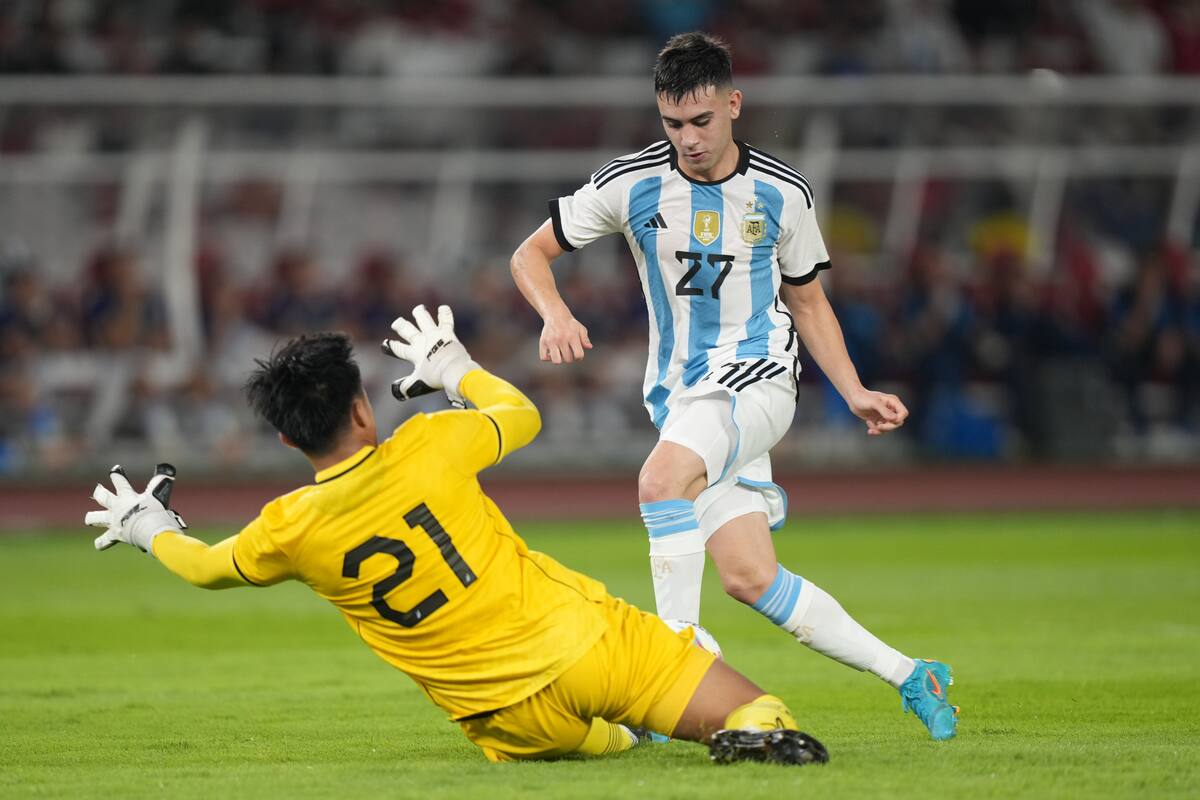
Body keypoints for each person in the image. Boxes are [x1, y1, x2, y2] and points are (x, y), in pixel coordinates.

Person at [84, 304, 828, 767]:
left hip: (503, 720)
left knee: (612, 746)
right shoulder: (427, 443)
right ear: (363, 411)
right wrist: (456, 370)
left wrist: (149, 526)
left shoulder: (288, 527)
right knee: (753, 710)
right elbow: (522, 416)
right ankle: (740, 730)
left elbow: (204, 567)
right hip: (584, 646)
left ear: (287, 439)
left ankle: (619, 737)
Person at [509, 32, 958, 740]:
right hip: (681, 397)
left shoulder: (783, 193)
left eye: (702, 120)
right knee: (750, 578)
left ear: (734, 105)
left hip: (759, 374)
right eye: (673, 123)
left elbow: (807, 301)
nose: (688, 139)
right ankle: (911, 674)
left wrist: (852, 390)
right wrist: (555, 313)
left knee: (660, 482)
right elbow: (529, 255)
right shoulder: (630, 183)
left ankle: (671, 666)